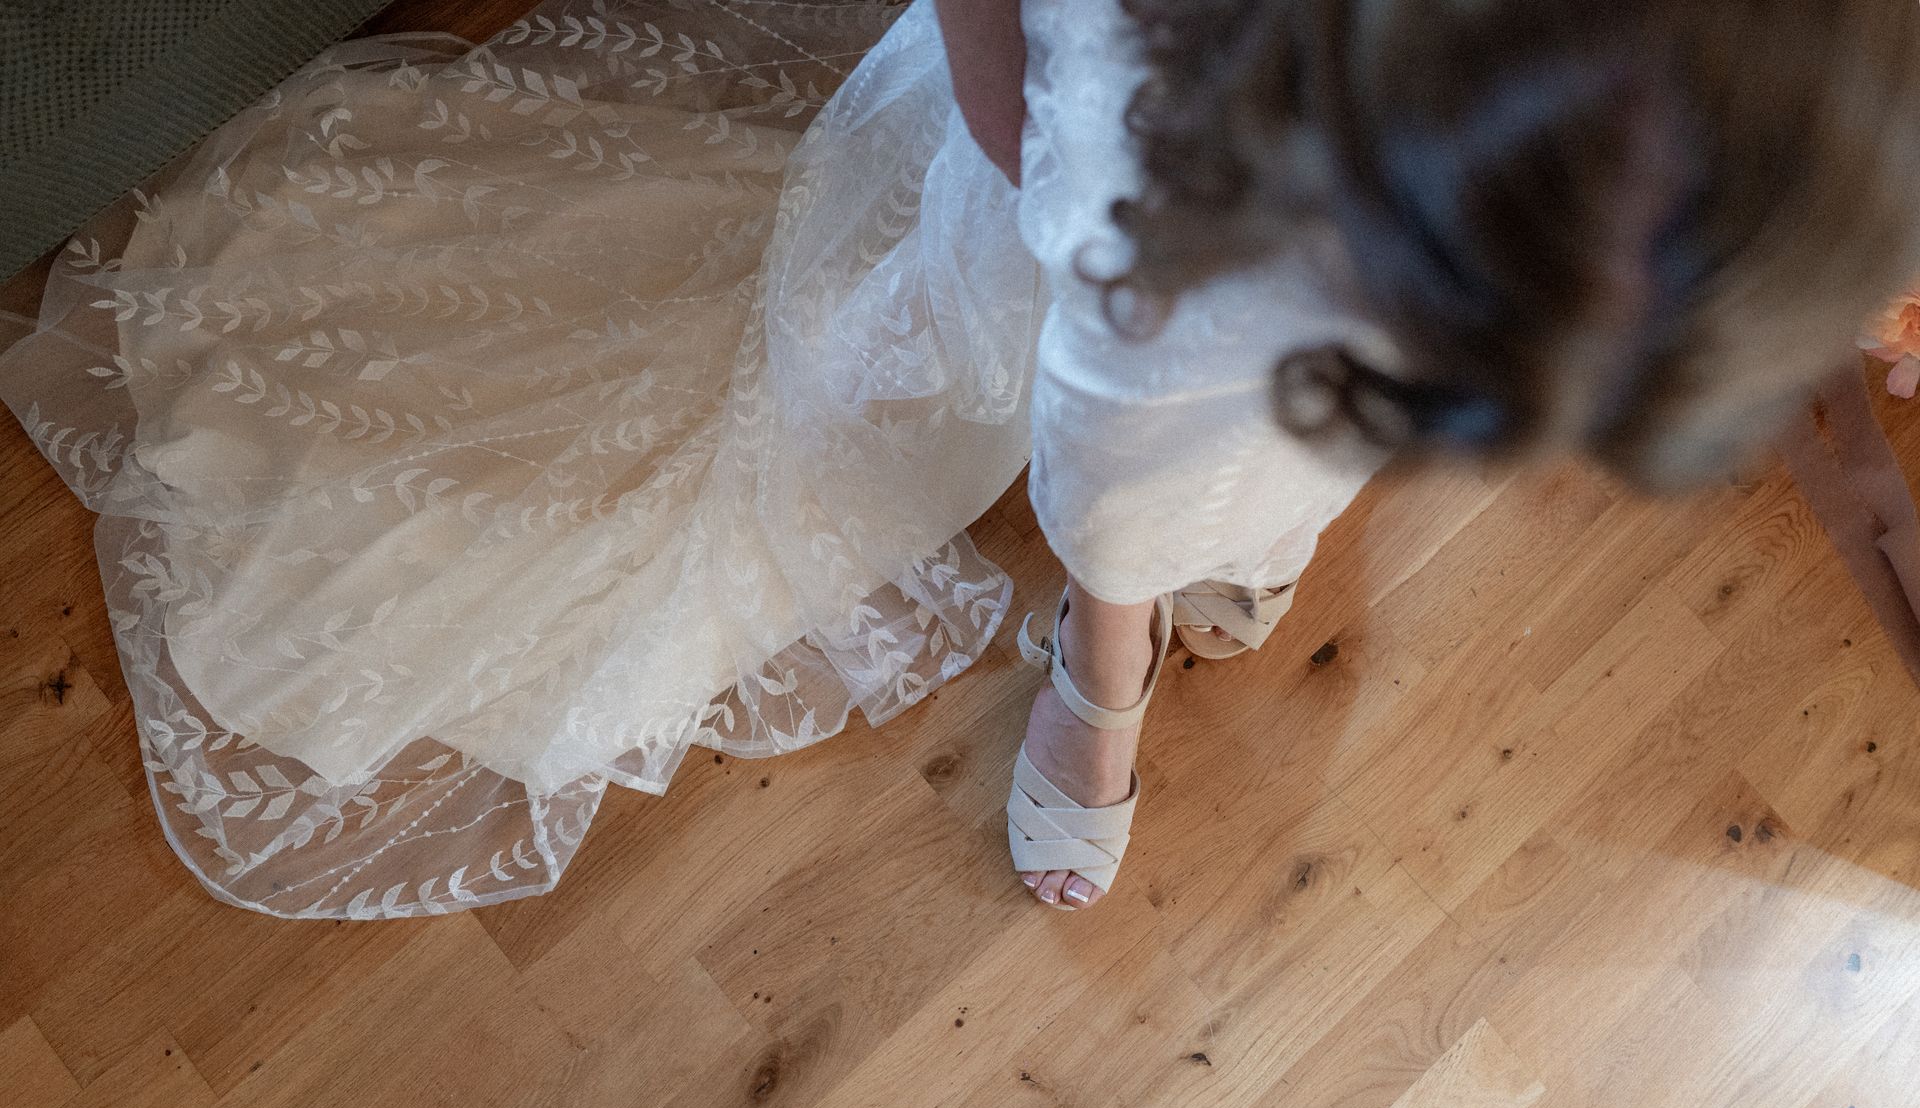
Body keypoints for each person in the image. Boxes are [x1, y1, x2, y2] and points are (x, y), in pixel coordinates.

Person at [2, 0, 1915, 918]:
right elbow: (1039, 136)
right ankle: (1107, 653)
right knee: (1132, 454)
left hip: (1382, 212)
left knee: (1292, 445)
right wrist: (1051, 151)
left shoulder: (1713, 132)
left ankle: (1245, 518)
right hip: (1140, 205)